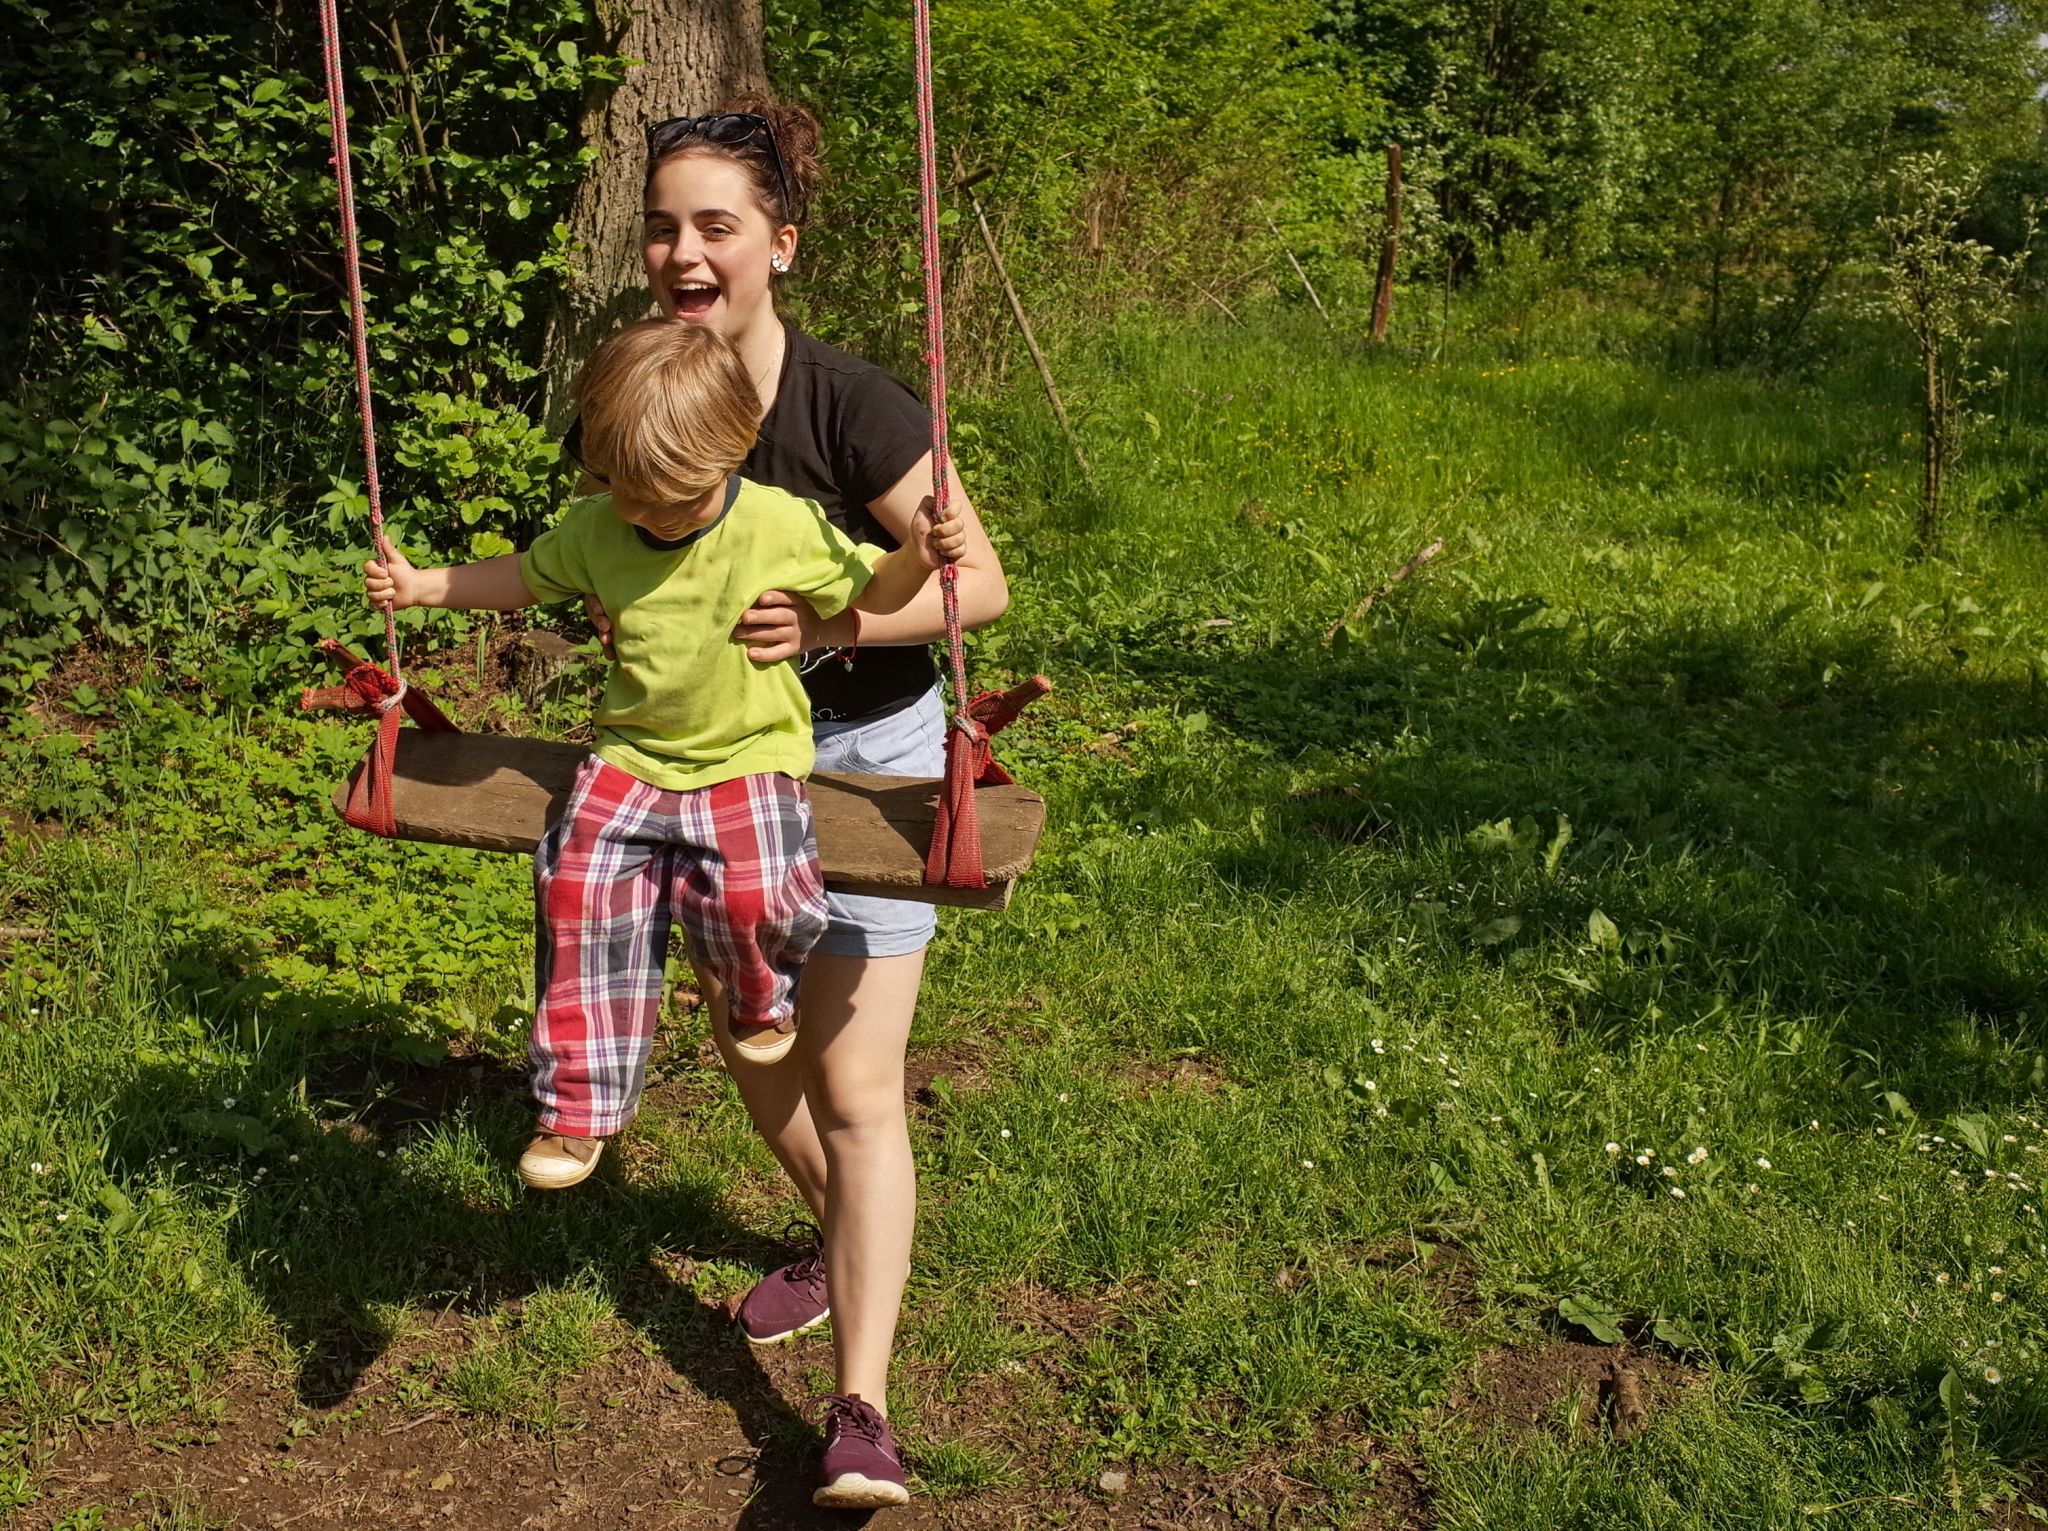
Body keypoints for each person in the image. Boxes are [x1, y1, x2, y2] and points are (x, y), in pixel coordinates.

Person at [563, 100, 1010, 1509]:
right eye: (663, 227)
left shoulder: (845, 405)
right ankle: (839, 1234)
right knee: (754, 1046)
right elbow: (597, 550)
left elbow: (983, 586)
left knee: (856, 1086)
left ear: (780, 244)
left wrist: (832, 625)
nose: (683, 254)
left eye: (717, 225)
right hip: (701, 776)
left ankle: (861, 1411)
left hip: (862, 760)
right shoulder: (643, 387)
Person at [361, 315, 965, 1188]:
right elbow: (524, 575)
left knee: (760, 889)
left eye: (675, 500)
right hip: (632, 756)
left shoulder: (780, 524)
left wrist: (916, 552)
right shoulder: (599, 526)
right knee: (576, 895)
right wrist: (424, 587)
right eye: (631, 495)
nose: (647, 516)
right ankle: (577, 1110)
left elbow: (872, 587)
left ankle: (760, 994)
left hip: (749, 754)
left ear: (735, 451)